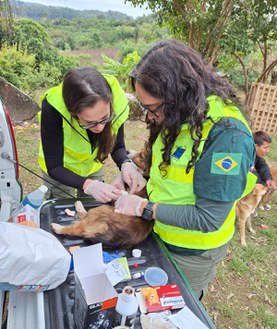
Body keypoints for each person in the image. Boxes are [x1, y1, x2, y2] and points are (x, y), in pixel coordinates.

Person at [114, 40, 257, 299]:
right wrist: (133, 172)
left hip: (192, 251)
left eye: (152, 108)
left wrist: (142, 208)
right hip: (159, 232)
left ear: (179, 94)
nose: (148, 117)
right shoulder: (181, 114)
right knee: (149, 301)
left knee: (177, 309)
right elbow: (167, 164)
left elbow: (208, 217)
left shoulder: (227, 137)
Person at [38, 67, 145, 201]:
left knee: (92, 211)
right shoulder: (53, 107)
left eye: (105, 118)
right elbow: (54, 167)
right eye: (90, 123)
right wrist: (90, 185)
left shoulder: (117, 101)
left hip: (92, 166)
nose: (100, 128)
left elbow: (117, 146)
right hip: (61, 170)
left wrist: (125, 163)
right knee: (62, 211)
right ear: (73, 113)